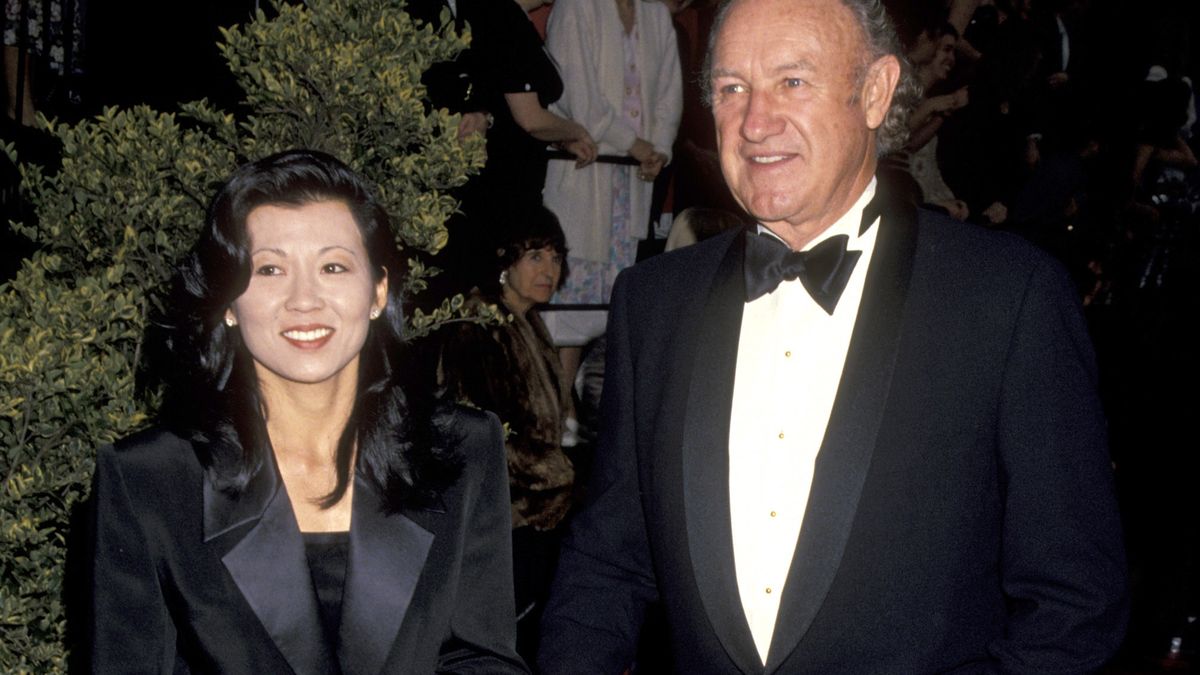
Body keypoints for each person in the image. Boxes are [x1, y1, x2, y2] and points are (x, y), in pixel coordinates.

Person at [537, 0, 1128, 672]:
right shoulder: (654, 303)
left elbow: (1075, 606)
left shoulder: (1009, 300)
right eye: (732, 89)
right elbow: (604, 569)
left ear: (875, 92)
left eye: (793, 81)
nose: (756, 123)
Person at [87, 150, 528, 674]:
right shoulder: (152, 478)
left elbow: (481, 659)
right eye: (270, 269)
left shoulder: (463, 450)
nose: (304, 299)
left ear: (377, 291)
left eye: (333, 266)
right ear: (229, 303)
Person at [436, 205, 579, 666]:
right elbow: (483, 432)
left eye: (555, 258)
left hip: (536, 516)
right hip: (499, 519)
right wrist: (561, 473)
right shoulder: (479, 326)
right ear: (505, 260)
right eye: (535, 256)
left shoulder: (528, 321)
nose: (549, 270)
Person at [542, 0, 682, 305]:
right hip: (583, 171)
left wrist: (658, 149)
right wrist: (634, 144)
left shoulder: (656, 16)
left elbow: (669, 96)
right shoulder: (575, 8)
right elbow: (578, 95)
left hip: (632, 183)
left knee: (611, 301)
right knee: (567, 300)